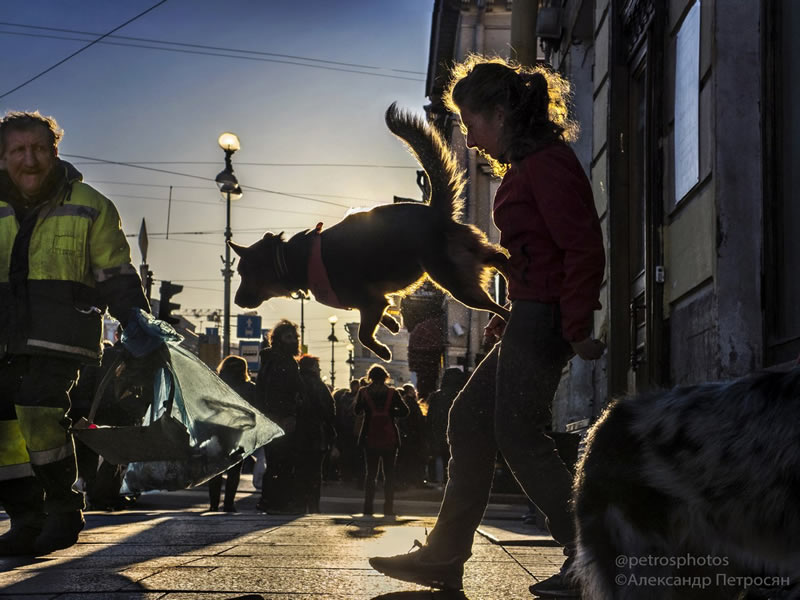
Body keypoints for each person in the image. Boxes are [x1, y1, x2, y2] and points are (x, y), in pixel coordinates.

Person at [368, 55, 605, 598]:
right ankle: (445, 554)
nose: (469, 139)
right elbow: (537, 252)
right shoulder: (528, 167)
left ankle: (588, 556)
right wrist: (511, 307)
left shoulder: (548, 164)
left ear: (500, 113)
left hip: (546, 318)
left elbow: (582, 247)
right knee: (469, 420)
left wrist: (573, 325)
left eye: (471, 123)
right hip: (532, 314)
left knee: (519, 435)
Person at [0, 111, 150, 555]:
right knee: (3, 431)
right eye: (18, 150)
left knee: (40, 413)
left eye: (39, 149)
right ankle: (25, 517)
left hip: (59, 336)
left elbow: (116, 274)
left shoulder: (90, 203)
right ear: (3, 156)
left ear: (55, 152)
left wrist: (139, 325)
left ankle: (63, 511)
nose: (30, 159)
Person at [254, 319, 304, 514]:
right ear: (278, 339)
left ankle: (271, 500)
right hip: (279, 419)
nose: (292, 340)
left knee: (277, 461)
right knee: (280, 462)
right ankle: (276, 501)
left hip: (275, 418)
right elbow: (277, 391)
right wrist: (287, 414)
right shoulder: (280, 361)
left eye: (294, 337)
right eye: (288, 336)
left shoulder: (275, 360)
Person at [354, 364, 409, 517]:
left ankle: (368, 508)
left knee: (370, 475)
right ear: (385, 377)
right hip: (389, 439)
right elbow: (405, 411)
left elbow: (356, 411)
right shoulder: (392, 393)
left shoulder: (364, 392)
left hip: (369, 438)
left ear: (370, 377)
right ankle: (388, 508)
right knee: (389, 475)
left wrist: (369, 411)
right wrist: (391, 413)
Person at [208, 355, 257, 513]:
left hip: (216, 432)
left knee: (215, 470)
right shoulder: (249, 388)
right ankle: (229, 504)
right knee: (234, 471)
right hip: (238, 434)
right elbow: (255, 412)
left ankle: (214, 504)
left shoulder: (215, 385)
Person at [295, 355, 336, 513]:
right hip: (316, 435)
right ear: (312, 367)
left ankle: (299, 504)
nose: (319, 371)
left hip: (297, 435)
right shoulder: (319, 385)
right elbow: (330, 411)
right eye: (317, 368)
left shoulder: (295, 383)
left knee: (299, 470)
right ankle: (313, 506)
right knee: (314, 471)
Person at [425, 367, 468, 485]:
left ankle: (444, 482)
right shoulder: (462, 395)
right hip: (457, 434)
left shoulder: (436, 397)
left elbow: (430, 419)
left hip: (440, 434)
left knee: (443, 458)